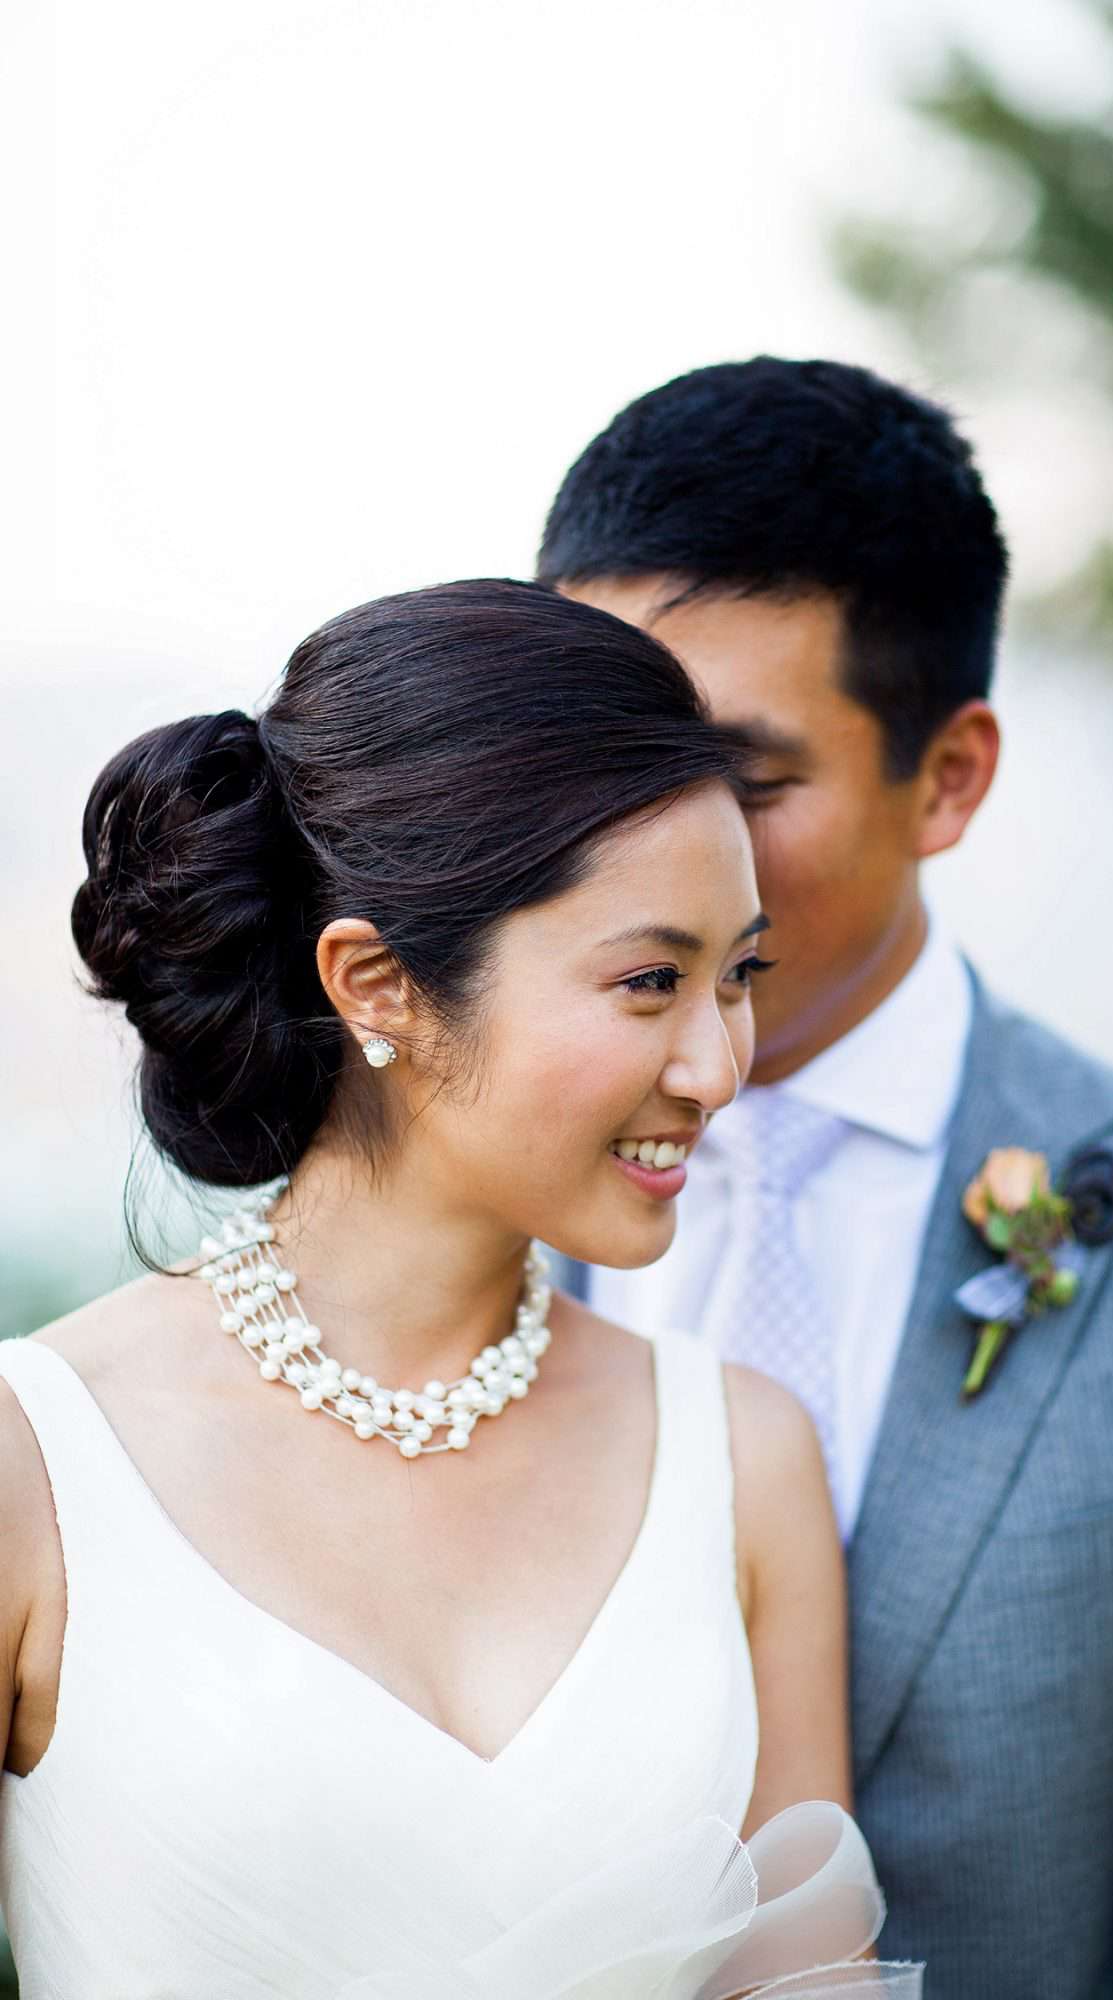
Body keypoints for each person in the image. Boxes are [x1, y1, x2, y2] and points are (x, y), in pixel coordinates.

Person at [538, 356, 1113, 1998]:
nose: (640, 841)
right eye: (591, 751)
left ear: (950, 777)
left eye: (743, 779)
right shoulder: (443, 1169)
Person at [0, 580, 911, 1998]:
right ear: (376, 983)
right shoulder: (36, 1462)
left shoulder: (741, 1455)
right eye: (645, 983)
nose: (716, 1068)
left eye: (737, 974)